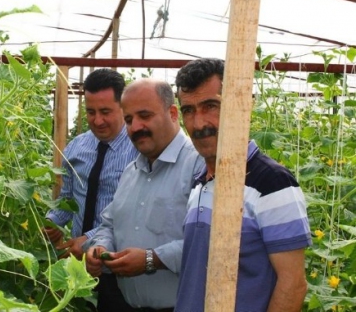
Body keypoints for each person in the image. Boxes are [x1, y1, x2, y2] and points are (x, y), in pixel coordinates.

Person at [174, 58, 311, 312]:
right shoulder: (200, 183)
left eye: (211, 106)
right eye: (188, 110)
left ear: (243, 105)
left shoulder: (271, 183)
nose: (198, 123)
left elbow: (293, 285)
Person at [85, 78, 204, 311]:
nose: (135, 126)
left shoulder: (198, 165)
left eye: (145, 116)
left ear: (172, 113)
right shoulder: (132, 171)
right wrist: (100, 248)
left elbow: (209, 242)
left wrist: (151, 259)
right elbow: (109, 224)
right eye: (129, 119)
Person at [44, 68, 138, 310]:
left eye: (105, 112)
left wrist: (89, 240)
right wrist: (52, 221)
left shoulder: (139, 151)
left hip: (117, 266)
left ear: (123, 107)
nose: (97, 120)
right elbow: (68, 200)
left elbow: (135, 211)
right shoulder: (77, 147)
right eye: (91, 112)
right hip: (76, 264)